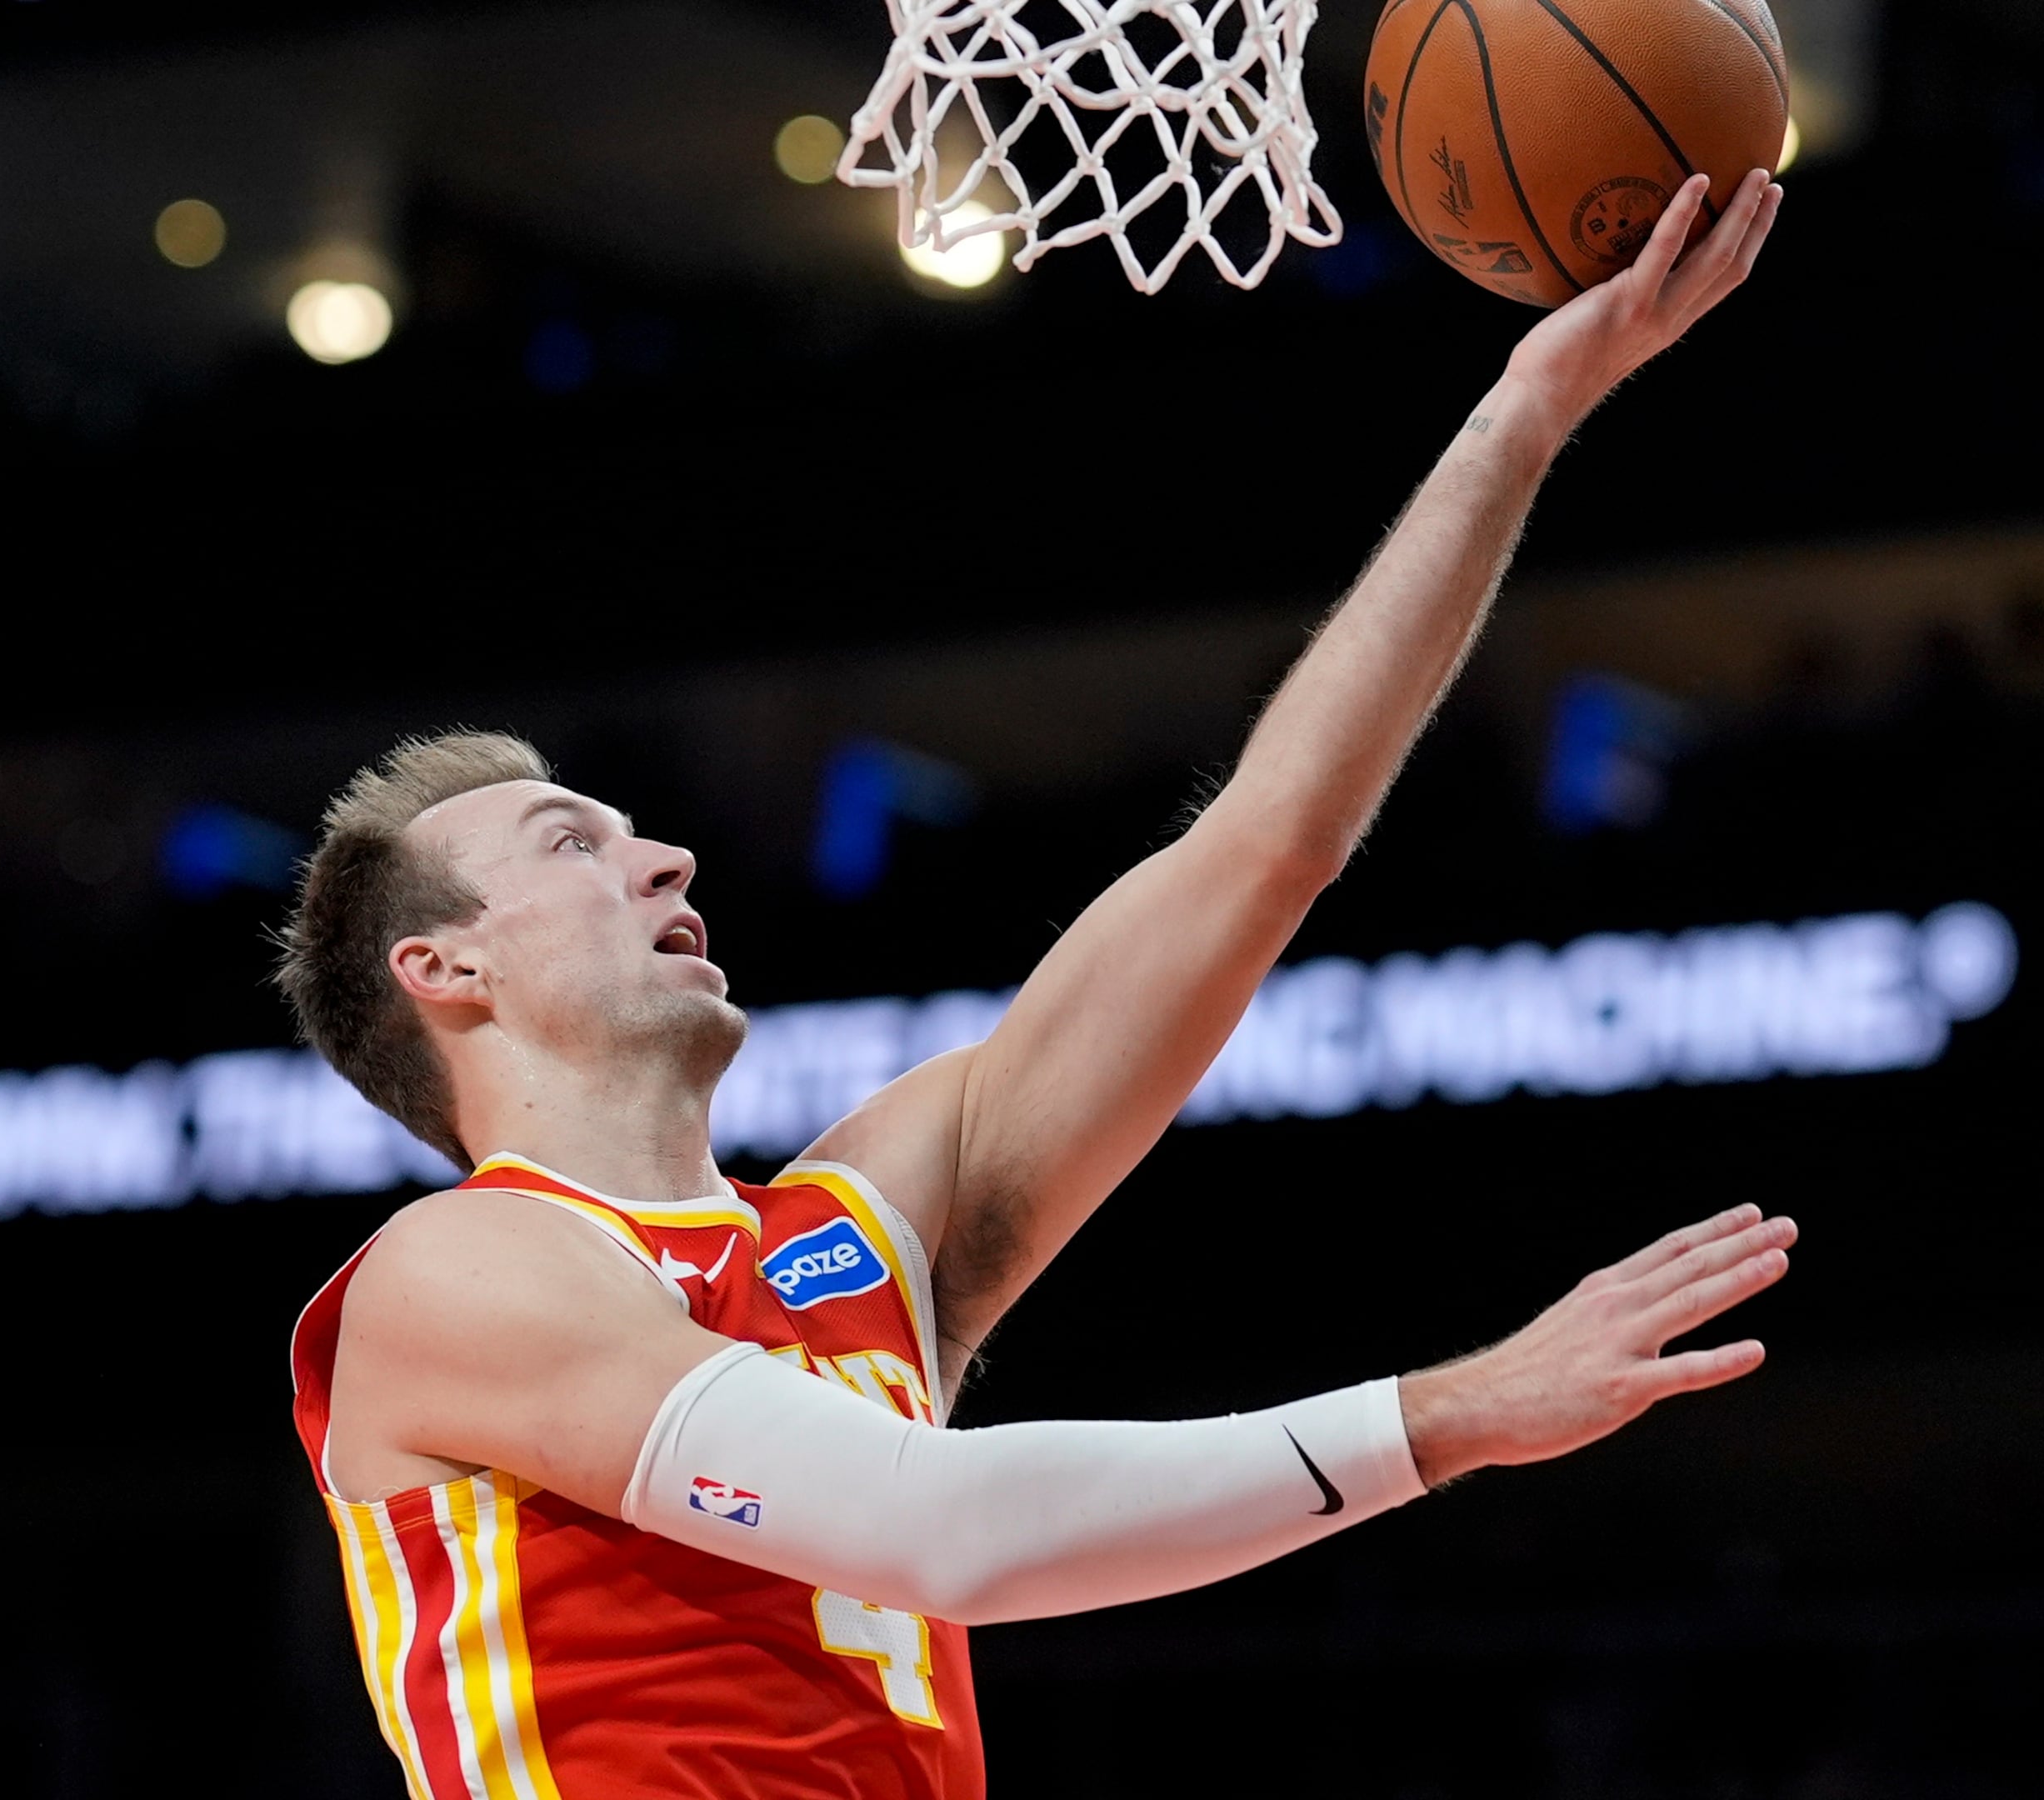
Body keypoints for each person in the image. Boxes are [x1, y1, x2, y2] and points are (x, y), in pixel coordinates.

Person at [282, 168, 1792, 1800]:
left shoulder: (857, 1231)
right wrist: (1444, 1417)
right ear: (444, 969)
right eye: (578, 847)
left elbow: (1262, 850)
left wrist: (1524, 417)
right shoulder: (452, 1277)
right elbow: (941, 1532)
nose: (668, 866)